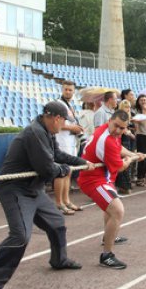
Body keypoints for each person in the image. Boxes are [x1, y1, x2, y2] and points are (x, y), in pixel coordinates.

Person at [0, 102, 92, 289]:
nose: (64, 124)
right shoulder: (34, 133)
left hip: (33, 188)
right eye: (64, 120)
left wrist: (82, 162)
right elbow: (47, 168)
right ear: (56, 118)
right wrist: (66, 170)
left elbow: (57, 155)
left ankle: (59, 259)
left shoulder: (47, 131)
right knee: (20, 236)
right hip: (15, 189)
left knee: (56, 222)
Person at [78, 110, 144, 269]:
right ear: (110, 120)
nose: (118, 131)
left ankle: (108, 237)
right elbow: (121, 167)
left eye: (122, 128)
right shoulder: (106, 139)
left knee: (110, 209)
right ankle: (106, 255)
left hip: (103, 178)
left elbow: (119, 147)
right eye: (116, 126)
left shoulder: (109, 132)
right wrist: (129, 160)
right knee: (117, 210)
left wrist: (133, 154)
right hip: (93, 180)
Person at [54, 82, 83, 214]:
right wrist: (73, 128)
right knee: (61, 173)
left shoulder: (69, 105)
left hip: (70, 141)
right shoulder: (57, 104)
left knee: (69, 172)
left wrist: (77, 128)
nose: (68, 92)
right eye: (66, 89)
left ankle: (67, 200)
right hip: (62, 142)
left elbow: (71, 122)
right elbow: (56, 123)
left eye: (70, 90)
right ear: (62, 90)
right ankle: (59, 203)